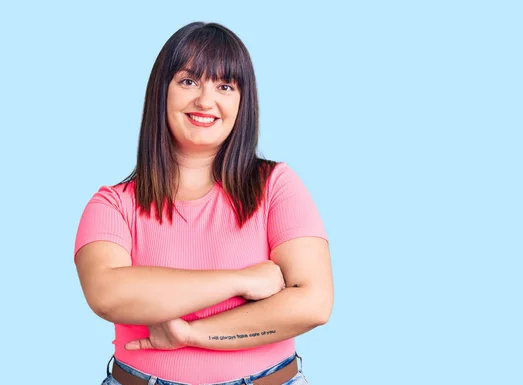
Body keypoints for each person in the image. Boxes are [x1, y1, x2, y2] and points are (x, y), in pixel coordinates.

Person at [74, 21, 333, 385]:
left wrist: (193, 334)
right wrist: (242, 281)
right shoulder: (112, 205)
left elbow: (313, 303)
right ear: (161, 92)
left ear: (243, 102)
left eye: (225, 86)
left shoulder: (276, 185)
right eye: (188, 81)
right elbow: (108, 294)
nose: (205, 100)